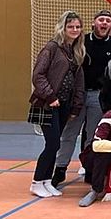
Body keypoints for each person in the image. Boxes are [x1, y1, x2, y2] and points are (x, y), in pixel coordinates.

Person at [52, 10, 111, 188]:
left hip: (99, 97)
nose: (104, 23)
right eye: (101, 20)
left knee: (92, 135)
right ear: (94, 23)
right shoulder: (82, 42)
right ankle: (60, 169)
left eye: (107, 21)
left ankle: (89, 167)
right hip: (77, 95)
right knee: (69, 133)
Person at [29, 11, 86, 197]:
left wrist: (76, 106)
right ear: (63, 27)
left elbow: (78, 81)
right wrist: (50, 96)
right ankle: (37, 181)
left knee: (56, 144)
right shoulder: (51, 48)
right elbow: (38, 75)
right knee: (52, 144)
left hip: (64, 106)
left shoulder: (75, 51)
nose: (74, 30)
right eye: (71, 27)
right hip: (47, 105)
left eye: (78, 27)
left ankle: (46, 181)